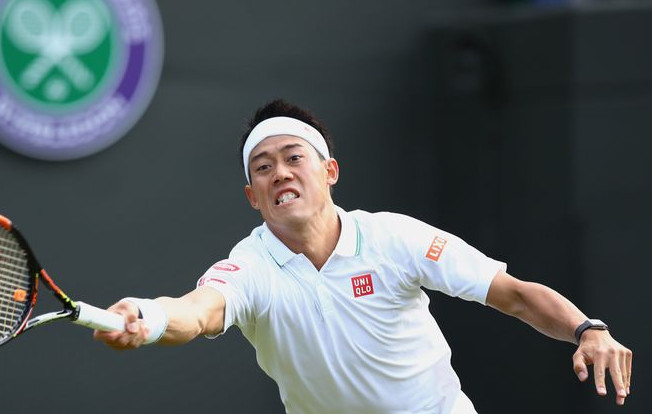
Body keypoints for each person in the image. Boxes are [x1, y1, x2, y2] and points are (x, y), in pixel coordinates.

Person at [94, 99, 632, 413]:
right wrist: (152, 316)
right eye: (262, 167)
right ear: (252, 196)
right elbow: (199, 310)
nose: (279, 172)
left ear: (329, 172)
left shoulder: (394, 238)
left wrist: (589, 328)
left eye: (293, 158)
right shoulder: (249, 266)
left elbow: (513, 295)